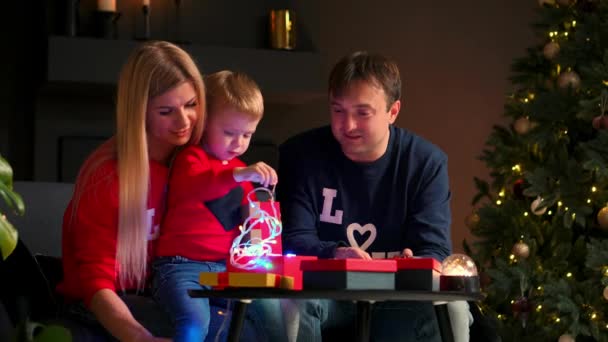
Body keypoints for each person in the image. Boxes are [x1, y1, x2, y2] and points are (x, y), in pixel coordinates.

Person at [278, 51, 471, 341]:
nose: (348, 125)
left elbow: (435, 249)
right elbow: (293, 239)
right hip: (325, 294)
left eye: (362, 112)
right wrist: (336, 253)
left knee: (454, 307)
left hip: (396, 300)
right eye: (338, 110)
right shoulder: (302, 155)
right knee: (288, 303)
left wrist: (414, 263)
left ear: (393, 111)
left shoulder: (425, 163)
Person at [57, 40, 205, 342]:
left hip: (157, 294)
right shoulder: (107, 176)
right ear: (139, 113)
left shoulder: (194, 166)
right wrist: (139, 338)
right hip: (101, 306)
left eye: (191, 104)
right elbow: (94, 283)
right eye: (166, 111)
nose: (184, 121)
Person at [152, 70, 279, 342]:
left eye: (247, 134)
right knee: (194, 324)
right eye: (229, 133)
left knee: (267, 317)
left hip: (225, 270)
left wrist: (261, 218)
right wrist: (242, 175)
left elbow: (253, 224)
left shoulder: (243, 172)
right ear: (205, 122)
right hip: (180, 268)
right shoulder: (190, 159)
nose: (239, 143)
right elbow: (202, 185)